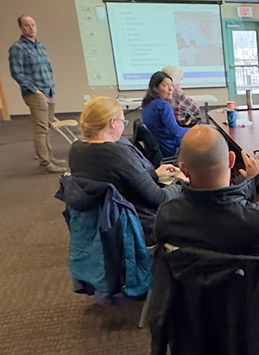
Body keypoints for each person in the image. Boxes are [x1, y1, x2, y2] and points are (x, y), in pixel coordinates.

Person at [154, 125, 259, 316]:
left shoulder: (167, 216)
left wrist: (245, 188)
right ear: (231, 160)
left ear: (184, 170)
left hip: (199, 315)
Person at [68, 96, 185, 244]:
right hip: (138, 225)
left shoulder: (77, 149)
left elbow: (116, 179)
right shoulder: (117, 153)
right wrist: (181, 181)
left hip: (106, 221)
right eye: (123, 122)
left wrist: (154, 174)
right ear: (113, 123)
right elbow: (159, 199)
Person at [8, 15, 66, 173]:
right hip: (35, 93)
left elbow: (47, 68)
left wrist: (50, 87)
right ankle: (45, 163)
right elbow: (16, 73)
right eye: (27, 25)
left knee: (48, 126)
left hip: (49, 90)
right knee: (41, 128)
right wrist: (34, 90)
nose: (31, 28)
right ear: (21, 27)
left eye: (33, 24)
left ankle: (50, 156)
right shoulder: (17, 48)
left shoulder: (40, 46)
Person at [141, 71, 189, 158]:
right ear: (155, 88)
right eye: (165, 86)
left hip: (158, 146)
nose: (170, 89)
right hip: (167, 147)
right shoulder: (163, 105)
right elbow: (176, 132)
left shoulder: (147, 103)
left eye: (171, 85)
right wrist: (197, 129)